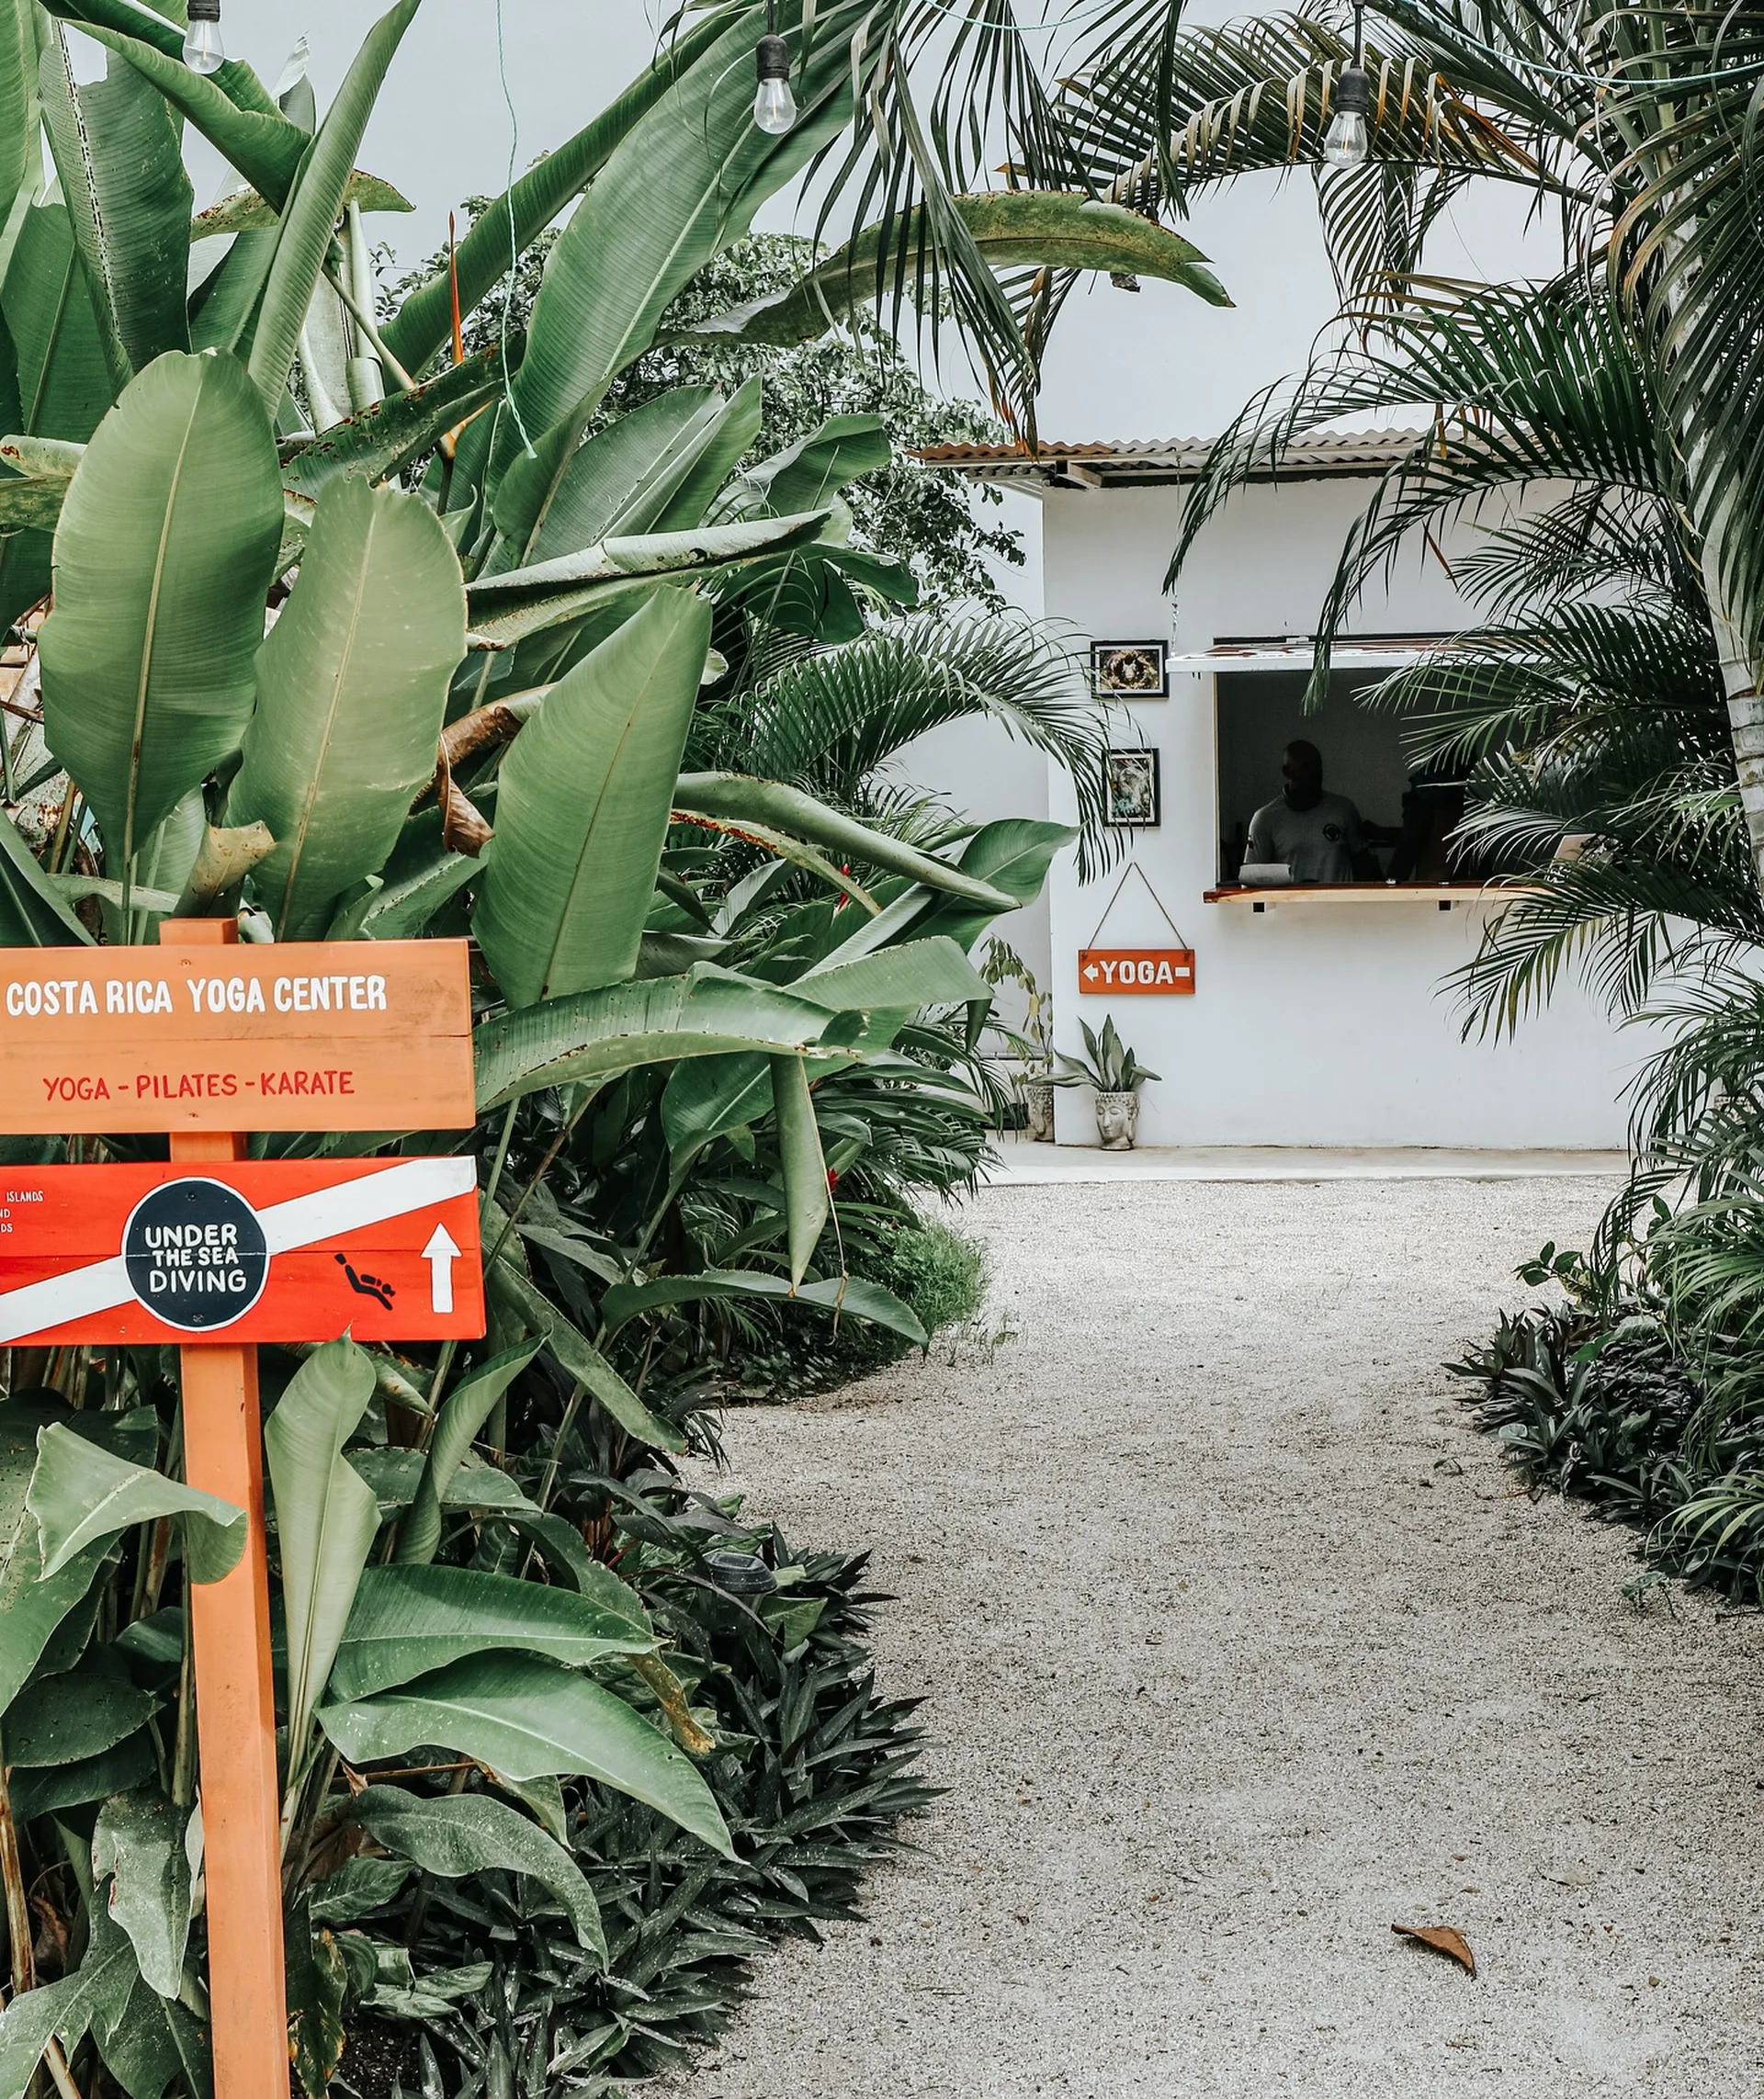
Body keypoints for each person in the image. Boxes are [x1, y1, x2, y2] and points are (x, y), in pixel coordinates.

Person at [1243, 740, 1368, 884]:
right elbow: (1252, 880)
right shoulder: (1265, 819)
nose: (1314, 772)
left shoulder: (1343, 809)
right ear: (1287, 771)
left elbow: (1364, 865)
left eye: (1318, 766)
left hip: (1339, 904)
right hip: (1292, 905)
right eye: (1306, 766)